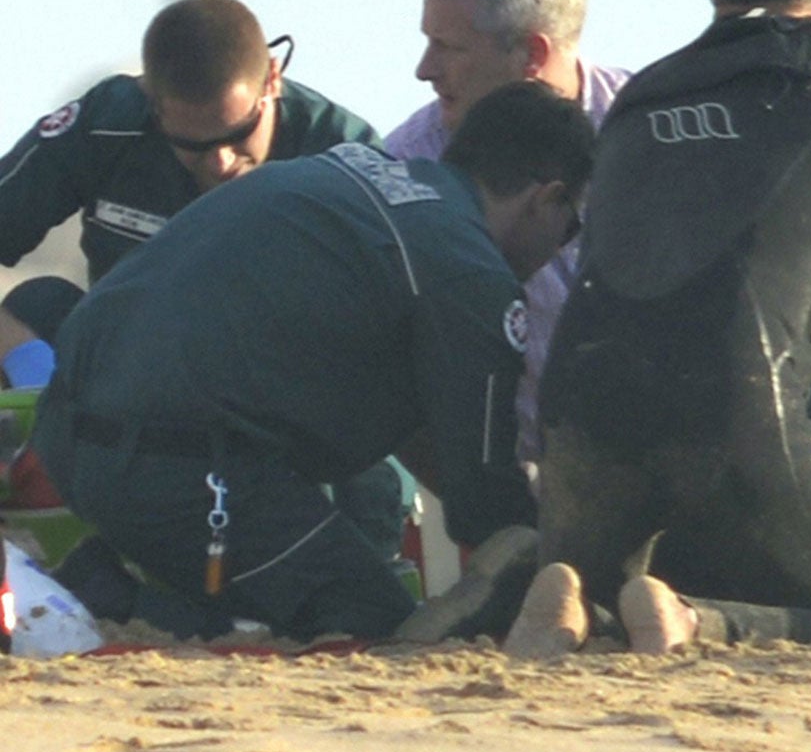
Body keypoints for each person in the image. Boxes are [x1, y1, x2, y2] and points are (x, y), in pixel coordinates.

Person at [504, 0, 811, 657]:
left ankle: (574, 597)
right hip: (739, 402)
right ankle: (698, 622)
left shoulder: (642, 98)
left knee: (617, 580)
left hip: (584, 403)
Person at [28, 83, 594, 643]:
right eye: (570, 230)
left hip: (68, 428)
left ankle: (133, 581)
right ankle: (109, 596)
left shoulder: (352, 172)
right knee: (374, 627)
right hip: (179, 473)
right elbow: (484, 502)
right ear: (547, 198)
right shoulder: (470, 273)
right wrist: (569, 571)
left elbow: (428, 436)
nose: (559, 251)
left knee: (295, 572)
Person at [384, 0, 632, 466]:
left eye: (448, 48)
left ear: (532, 54)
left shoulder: (650, 135)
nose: (424, 70)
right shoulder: (408, 170)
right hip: (524, 498)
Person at [0, 0, 378, 291]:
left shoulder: (344, 160)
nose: (221, 162)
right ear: (153, 106)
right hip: (125, 364)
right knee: (41, 304)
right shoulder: (107, 126)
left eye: (238, 134)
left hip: (281, 370)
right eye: (192, 145)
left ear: (272, 81)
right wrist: (19, 348)